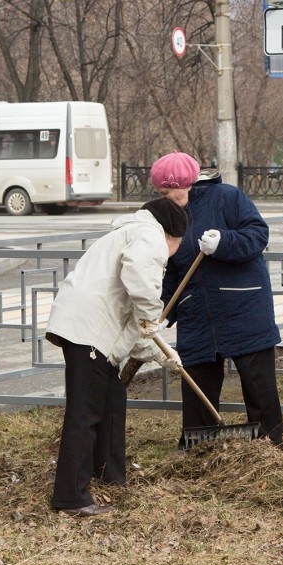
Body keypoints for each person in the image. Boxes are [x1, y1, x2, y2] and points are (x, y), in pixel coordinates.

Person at [47, 199, 188, 517]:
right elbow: (139, 279)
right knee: (85, 413)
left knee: (112, 399)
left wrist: (160, 352)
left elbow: (133, 323)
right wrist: (153, 315)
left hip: (88, 328)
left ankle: (110, 477)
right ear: (173, 237)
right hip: (89, 331)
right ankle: (71, 498)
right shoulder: (149, 236)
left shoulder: (131, 233)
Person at [150, 151, 283, 448]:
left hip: (243, 307)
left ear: (186, 182)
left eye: (169, 190)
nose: (166, 197)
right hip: (195, 312)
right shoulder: (167, 213)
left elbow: (258, 235)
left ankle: (269, 448)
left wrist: (225, 242)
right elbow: (171, 267)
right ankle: (198, 450)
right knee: (197, 384)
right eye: (160, 193)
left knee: (258, 386)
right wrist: (161, 310)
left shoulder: (228, 198)